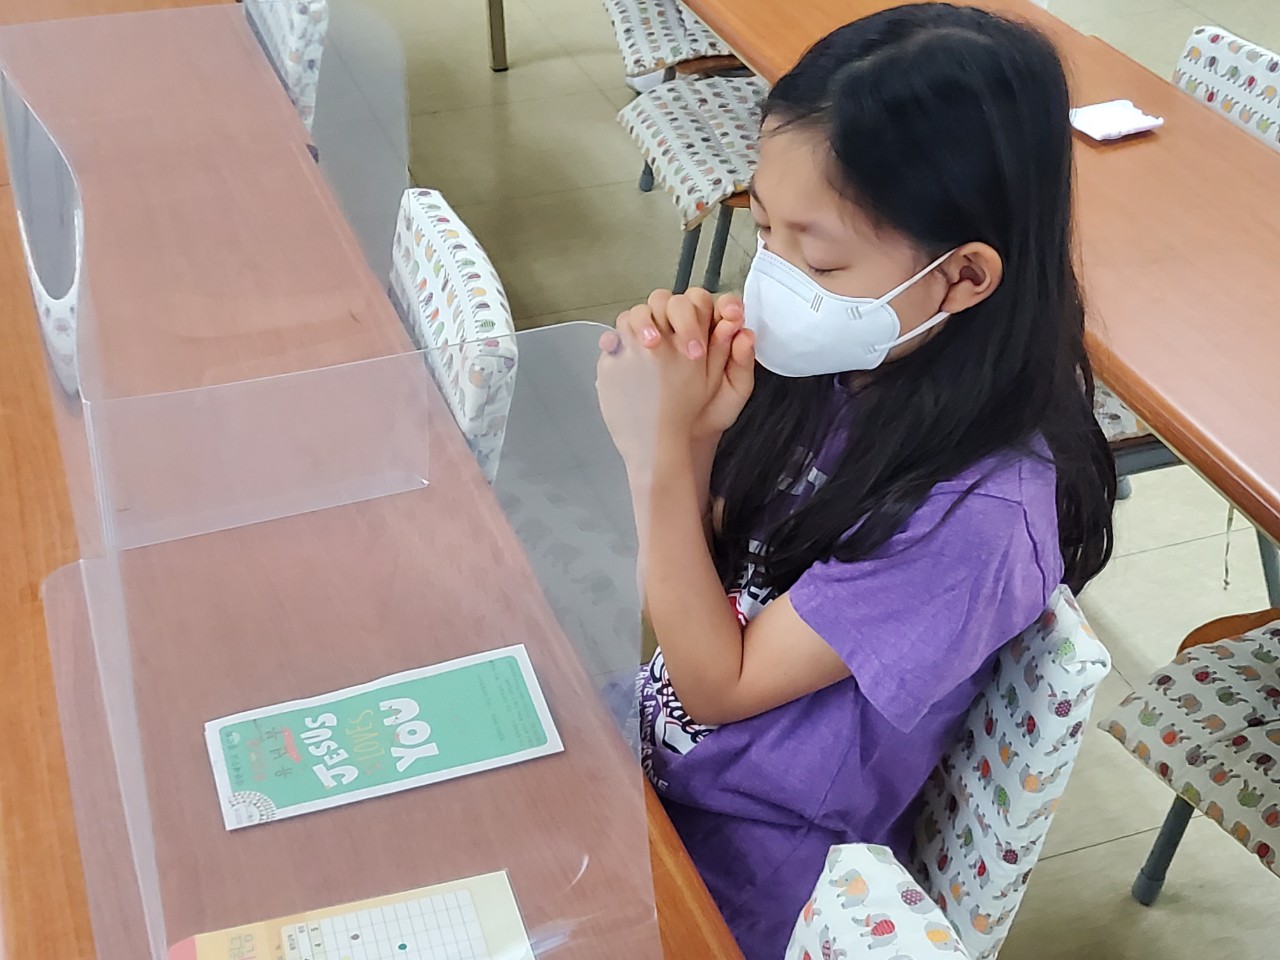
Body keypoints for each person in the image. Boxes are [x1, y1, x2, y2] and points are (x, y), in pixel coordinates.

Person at [594, 4, 1116, 958]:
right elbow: (711, 571)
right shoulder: (848, 366)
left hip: (752, 866)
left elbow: (718, 686)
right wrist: (697, 431)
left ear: (964, 277)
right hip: (656, 764)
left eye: (820, 255)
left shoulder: (977, 517)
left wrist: (656, 456)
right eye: (765, 229)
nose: (774, 280)